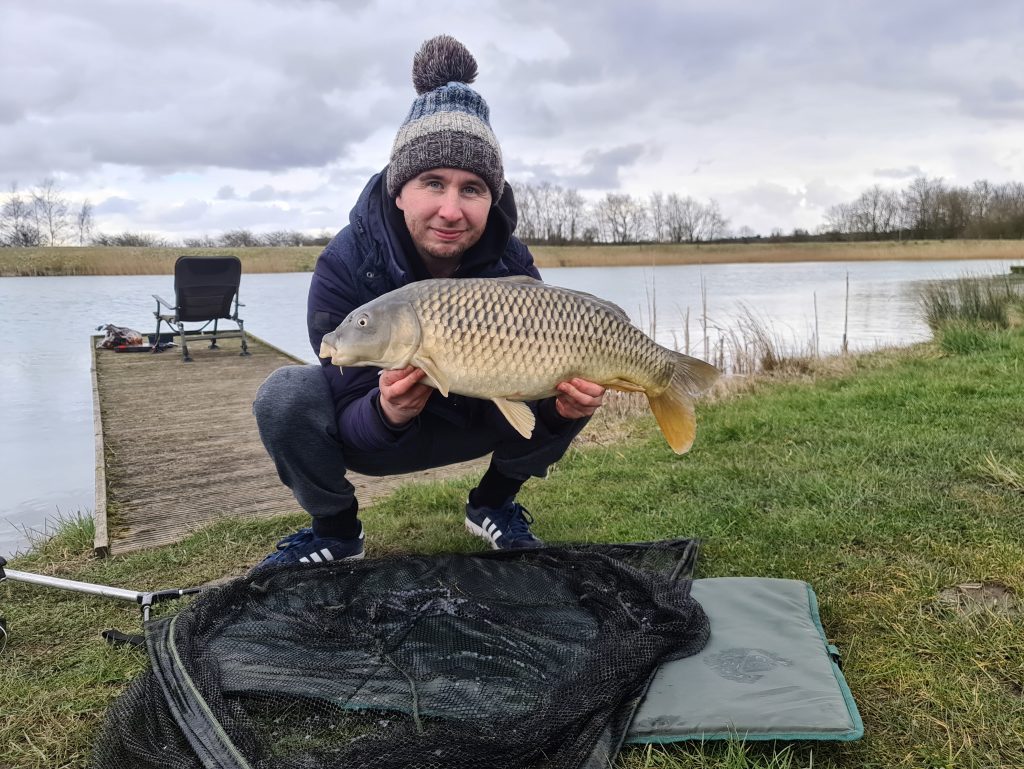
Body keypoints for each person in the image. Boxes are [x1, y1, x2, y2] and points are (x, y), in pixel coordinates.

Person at [253, 35, 605, 567]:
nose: (450, 209)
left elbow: (541, 402)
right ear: (399, 190)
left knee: (581, 365)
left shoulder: (511, 261)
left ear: (492, 199)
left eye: (472, 189)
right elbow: (349, 411)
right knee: (285, 396)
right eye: (432, 183)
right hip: (386, 436)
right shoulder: (343, 265)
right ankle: (336, 530)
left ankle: (493, 504)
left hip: (483, 416)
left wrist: (559, 414)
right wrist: (386, 411)